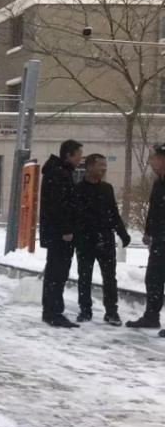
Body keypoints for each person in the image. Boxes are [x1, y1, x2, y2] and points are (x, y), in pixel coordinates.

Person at [74, 153, 129, 326]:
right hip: (85, 240)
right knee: (84, 276)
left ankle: (111, 312)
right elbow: (74, 216)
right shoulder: (78, 189)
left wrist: (122, 233)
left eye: (105, 165)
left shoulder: (107, 188)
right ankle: (85, 310)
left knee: (110, 277)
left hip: (106, 239)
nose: (104, 169)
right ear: (90, 166)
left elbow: (113, 213)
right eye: (100, 165)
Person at [39, 139, 84, 328]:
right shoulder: (59, 174)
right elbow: (59, 205)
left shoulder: (60, 171)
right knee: (57, 273)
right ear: (68, 155)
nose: (80, 159)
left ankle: (53, 310)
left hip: (56, 232)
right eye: (78, 155)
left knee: (57, 272)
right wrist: (66, 229)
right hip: (59, 234)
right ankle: (53, 312)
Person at [128, 143, 165, 330]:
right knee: (153, 279)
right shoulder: (158, 183)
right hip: (159, 240)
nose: (152, 162)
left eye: (155, 158)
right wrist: (149, 232)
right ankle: (151, 316)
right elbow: (154, 210)